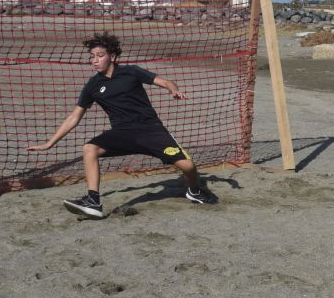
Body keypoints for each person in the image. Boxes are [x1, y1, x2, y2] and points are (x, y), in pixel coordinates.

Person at [27, 32, 218, 219]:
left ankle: (194, 191)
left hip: (151, 130)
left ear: (112, 56)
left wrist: (173, 90)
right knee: (89, 148)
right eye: (92, 56)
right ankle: (93, 201)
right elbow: (74, 117)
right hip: (123, 133)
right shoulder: (93, 85)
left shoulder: (131, 71)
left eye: (100, 55)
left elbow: (165, 81)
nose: (95, 60)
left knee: (188, 166)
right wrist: (50, 143)